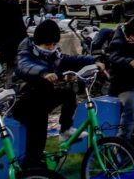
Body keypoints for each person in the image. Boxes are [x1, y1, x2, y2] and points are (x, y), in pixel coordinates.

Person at [12, 18, 99, 167]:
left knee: (68, 94)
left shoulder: (54, 54)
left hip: (40, 97)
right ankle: (30, 169)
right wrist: (44, 73)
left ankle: (65, 130)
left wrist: (95, 60)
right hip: (21, 101)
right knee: (38, 129)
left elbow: (71, 59)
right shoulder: (25, 52)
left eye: (54, 44)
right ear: (38, 42)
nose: (51, 47)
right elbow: (25, 66)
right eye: (47, 45)